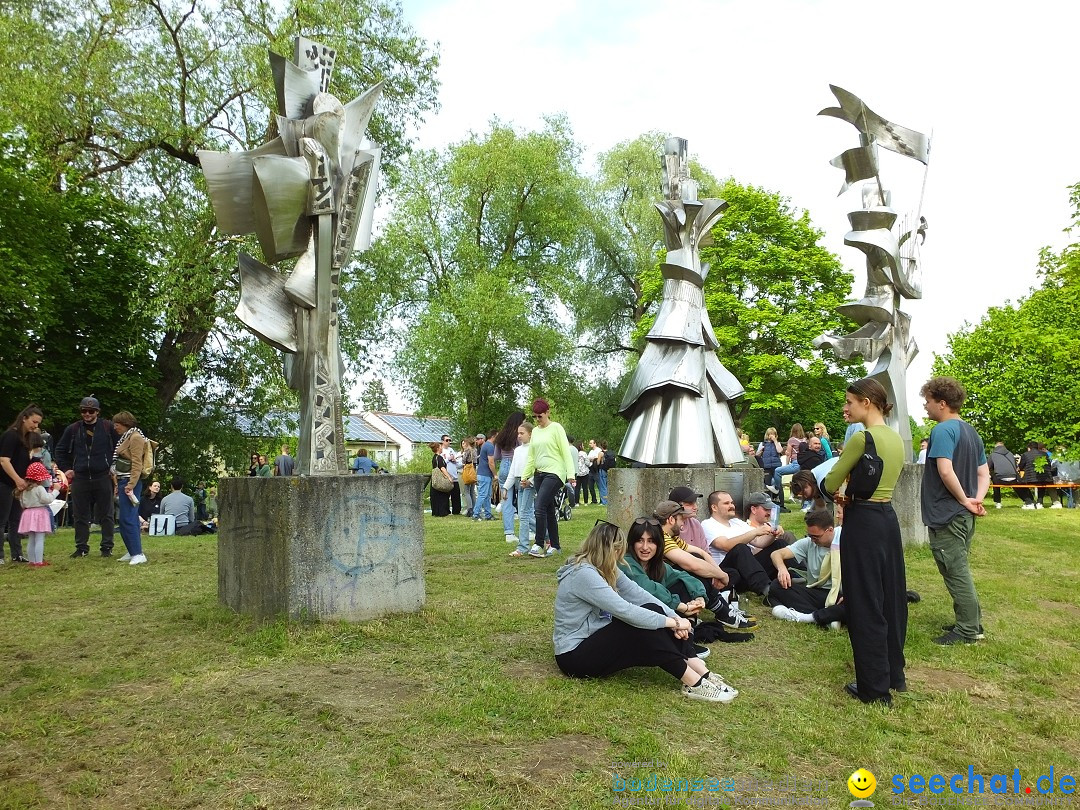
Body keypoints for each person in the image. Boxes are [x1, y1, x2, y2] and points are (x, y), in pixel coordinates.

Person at [552, 520, 737, 702]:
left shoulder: (603, 566)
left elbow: (638, 594)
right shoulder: (583, 574)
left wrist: (672, 616)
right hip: (574, 656)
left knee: (652, 609)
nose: (620, 557)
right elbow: (625, 610)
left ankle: (699, 669)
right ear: (613, 550)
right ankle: (693, 682)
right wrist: (675, 622)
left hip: (594, 637)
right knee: (637, 626)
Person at [823, 378, 907, 705]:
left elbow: (830, 481)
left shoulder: (863, 438)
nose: (845, 408)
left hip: (863, 522)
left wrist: (841, 492)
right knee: (891, 598)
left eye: (849, 402)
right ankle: (892, 675)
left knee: (864, 602)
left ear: (867, 402)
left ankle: (874, 689)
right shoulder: (896, 438)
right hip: (887, 520)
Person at [920, 376, 989, 645]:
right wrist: (976, 500)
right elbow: (983, 473)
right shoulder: (971, 432)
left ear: (942, 403)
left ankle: (967, 630)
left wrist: (963, 499)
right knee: (958, 568)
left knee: (955, 571)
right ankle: (970, 622)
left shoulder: (943, 430)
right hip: (963, 515)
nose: (926, 407)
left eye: (928, 402)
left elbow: (945, 469)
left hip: (947, 515)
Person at [653, 500, 754, 630]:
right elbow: (691, 565)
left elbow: (700, 552)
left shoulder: (671, 536)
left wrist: (718, 573)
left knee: (702, 562)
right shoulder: (660, 537)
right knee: (696, 569)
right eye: (681, 519)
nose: (683, 523)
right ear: (671, 520)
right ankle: (723, 611)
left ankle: (722, 609)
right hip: (662, 591)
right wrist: (721, 575)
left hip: (671, 584)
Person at [54, 397, 117, 558]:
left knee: (106, 514)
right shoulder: (73, 429)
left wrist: (113, 466)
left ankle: (107, 547)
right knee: (80, 515)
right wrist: (67, 469)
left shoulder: (108, 427)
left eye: (91, 411)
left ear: (97, 412)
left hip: (102, 476)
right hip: (80, 477)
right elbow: (60, 450)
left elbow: (120, 448)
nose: (87, 414)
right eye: (84, 411)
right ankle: (81, 547)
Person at [620, 517, 708, 622]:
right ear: (632, 543)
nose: (645, 547)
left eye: (651, 541)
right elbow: (649, 588)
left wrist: (699, 597)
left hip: (657, 615)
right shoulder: (625, 562)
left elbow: (682, 576)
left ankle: (689, 623)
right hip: (632, 616)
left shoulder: (656, 564)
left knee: (683, 583)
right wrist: (681, 607)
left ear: (659, 544)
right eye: (640, 541)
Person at [769, 509, 846, 628]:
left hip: (842, 594)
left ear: (830, 530)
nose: (812, 540)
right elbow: (776, 554)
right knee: (776, 586)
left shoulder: (846, 539)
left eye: (816, 537)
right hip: (818, 592)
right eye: (810, 536)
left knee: (859, 603)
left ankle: (808, 617)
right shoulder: (809, 543)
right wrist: (782, 569)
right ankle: (829, 617)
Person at [522, 399, 576, 557]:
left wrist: (571, 474)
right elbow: (532, 456)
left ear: (547, 413)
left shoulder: (556, 428)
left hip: (555, 473)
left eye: (540, 416)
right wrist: (525, 475)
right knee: (549, 509)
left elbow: (566, 451)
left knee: (539, 505)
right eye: (535, 417)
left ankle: (539, 543)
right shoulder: (536, 432)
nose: (538, 419)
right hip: (539, 474)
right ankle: (555, 545)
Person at [0, 404, 44, 564]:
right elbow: (4, 460)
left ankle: (16, 554)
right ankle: (0, 556)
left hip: (20, 486)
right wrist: (17, 480)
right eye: (34, 422)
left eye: (38, 423)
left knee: (15, 520)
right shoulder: (10, 436)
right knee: (2, 519)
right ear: (24, 419)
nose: (36, 426)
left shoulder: (26, 439)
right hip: (5, 484)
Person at [17, 434, 62, 566]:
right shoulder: (39, 488)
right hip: (39, 514)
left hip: (28, 513)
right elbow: (46, 500)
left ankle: (31, 561)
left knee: (31, 539)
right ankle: (39, 561)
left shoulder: (25, 488)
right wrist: (56, 490)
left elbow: (22, 502)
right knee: (39, 538)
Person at [111, 411, 149, 565]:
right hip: (122, 479)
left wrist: (131, 484)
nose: (115, 427)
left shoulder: (135, 438)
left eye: (117, 424)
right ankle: (132, 549)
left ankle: (138, 553)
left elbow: (137, 463)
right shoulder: (127, 437)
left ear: (125, 423)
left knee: (129, 517)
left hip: (129, 481)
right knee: (125, 517)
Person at [506, 422, 536, 557]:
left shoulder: (534, 448)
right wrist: (506, 487)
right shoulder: (517, 450)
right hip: (519, 482)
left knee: (523, 515)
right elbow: (513, 470)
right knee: (525, 516)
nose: (519, 436)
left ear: (530, 434)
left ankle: (523, 547)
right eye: (518, 433)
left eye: (522, 433)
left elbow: (538, 467)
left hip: (528, 483)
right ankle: (547, 535)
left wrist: (531, 481)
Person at [493, 412, 525, 540]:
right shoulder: (519, 437)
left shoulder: (500, 436)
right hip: (516, 467)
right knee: (523, 498)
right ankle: (528, 529)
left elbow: (496, 456)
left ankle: (509, 533)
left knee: (506, 500)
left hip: (504, 467)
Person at [768, 424, 807, 494]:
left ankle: (776, 488)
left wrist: (787, 464)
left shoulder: (791, 440)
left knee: (777, 471)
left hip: (796, 463)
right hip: (804, 464)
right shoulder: (805, 440)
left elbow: (788, 454)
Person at [988, 441, 1023, 509]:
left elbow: (989, 467)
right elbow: (1015, 467)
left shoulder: (993, 455)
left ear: (996, 447)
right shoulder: (1010, 454)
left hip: (1000, 479)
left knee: (995, 481)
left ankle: (998, 502)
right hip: (1013, 478)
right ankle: (1027, 501)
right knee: (1017, 485)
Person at [472, 431, 496, 521]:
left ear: (483, 439)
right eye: (477, 439)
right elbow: (491, 462)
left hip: (483, 474)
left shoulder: (484, 446)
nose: (477, 441)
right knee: (483, 495)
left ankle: (488, 514)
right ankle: (476, 514)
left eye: (478, 439)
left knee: (486, 495)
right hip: (485, 474)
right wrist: (495, 474)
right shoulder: (489, 446)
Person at [439, 435, 463, 516]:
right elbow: (441, 462)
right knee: (445, 495)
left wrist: (454, 460)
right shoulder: (441, 450)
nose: (449, 442)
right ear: (442, 441)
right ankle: (446, 511)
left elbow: (456, 461)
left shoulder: (451, 450)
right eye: (447, 440)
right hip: (446, 476)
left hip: (454, 475)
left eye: (450, 440)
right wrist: (448, 459)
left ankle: (456, 510)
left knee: (456, 494)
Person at [428, 442, 452, 518]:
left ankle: (436, 511)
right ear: (438, 448)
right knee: (442, 495)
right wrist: (449, 477)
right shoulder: (439, 458)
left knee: (436, 496)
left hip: (435, 480)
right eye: (440, 447)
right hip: (440, 479)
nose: (442, 448)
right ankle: (442, 511)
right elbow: (442, 468)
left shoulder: (434, 457)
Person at [459, 437, 477, 515]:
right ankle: (475, 507)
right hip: (473, 470)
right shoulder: (475, 450)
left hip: (467, 470)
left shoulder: (467, 451)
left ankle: (469, 509)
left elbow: (463, 461)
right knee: (472, 491)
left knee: (466, 491)